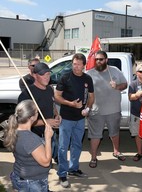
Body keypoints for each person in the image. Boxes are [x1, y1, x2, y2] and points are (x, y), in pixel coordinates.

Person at [55, 53, 94, 188]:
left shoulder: (88, 79)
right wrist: (71, 104)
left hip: (80, 118)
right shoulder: (65, 77)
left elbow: (91, 96)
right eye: (74, 64)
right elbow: (57, 96)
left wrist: (87, 109)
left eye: (78, 64)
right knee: (63, 146)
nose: (76, 67)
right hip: (66, 118)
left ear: (84, 65)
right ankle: (62, 173)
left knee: (77, 145)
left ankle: (74, 168)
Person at [86, 50, 128, 168]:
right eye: (96, 59)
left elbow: (125, 84)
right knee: (95, 136)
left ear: (106, 60)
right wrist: (87, 108)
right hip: (96, 111)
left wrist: (117, 86)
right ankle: (94, 158)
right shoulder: (89, 73)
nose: (98, 61)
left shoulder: (114, 71)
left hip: (113, 110)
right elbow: (85, 92)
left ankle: (116, 151)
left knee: (114, 133)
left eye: (101, 59)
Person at [4, 99, 54, 192]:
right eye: (36, 112)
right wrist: (48, 139)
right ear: (31, 117)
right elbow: (46, 162)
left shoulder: (14, 131)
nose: (38, 114)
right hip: (32, 183)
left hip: (20, 177)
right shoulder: (30, 139)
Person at [18, 62, 61, 161]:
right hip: (34, 138)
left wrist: (56, 115)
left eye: (48, 74)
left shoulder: (50, 89)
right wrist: (46, 122)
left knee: (47, 164)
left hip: (50, 135)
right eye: (43, 75)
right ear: (35, 75)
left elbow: (52, 104)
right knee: (40, 166)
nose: (47, 77)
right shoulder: (27, 94)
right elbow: (21, 122)